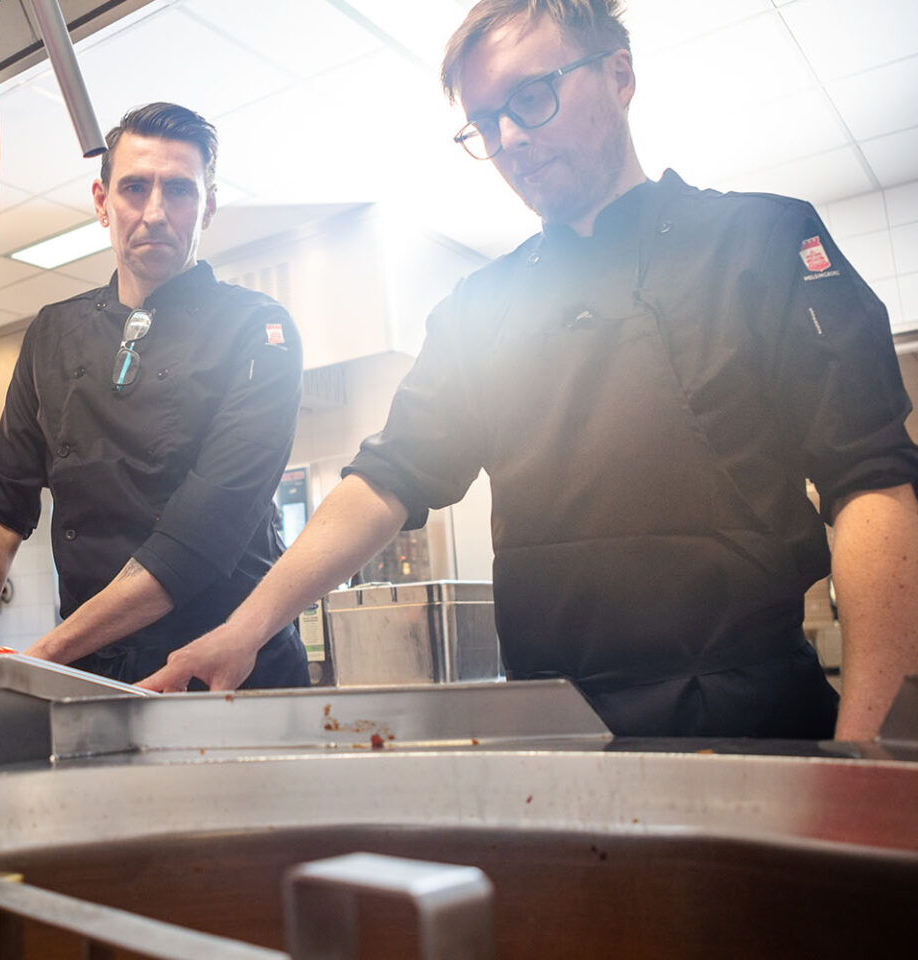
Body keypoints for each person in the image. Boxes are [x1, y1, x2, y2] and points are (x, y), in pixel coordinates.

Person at [140, 0, 918, 740]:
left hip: (756, 719)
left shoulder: (763, 241)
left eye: (531, 98)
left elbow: (872, 483)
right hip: (561, 733)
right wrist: (244, 631)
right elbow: (385, 480)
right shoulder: (482, 305)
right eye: (484, 122)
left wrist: (868, 753)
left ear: (620, 76)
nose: (508, 138)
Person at [0, 102, 310, 688]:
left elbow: (198, 540)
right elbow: (0, 505)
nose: (155, 212)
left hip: (227, 677)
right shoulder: (53, 332)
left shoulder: (259, 331)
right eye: (134, 187)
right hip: (91, 676)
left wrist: (37, 661)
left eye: (179, 190)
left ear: (208, 204)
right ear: (102, 203)